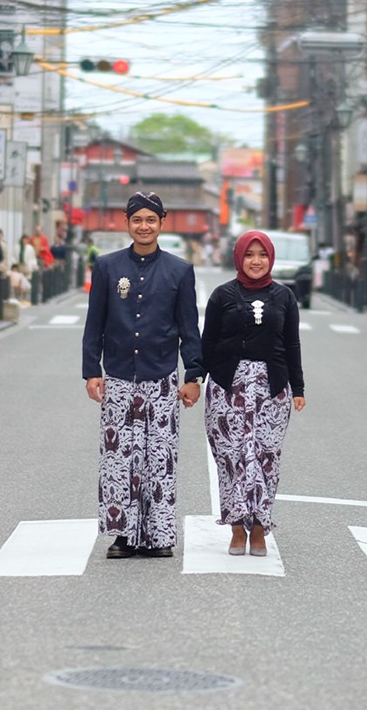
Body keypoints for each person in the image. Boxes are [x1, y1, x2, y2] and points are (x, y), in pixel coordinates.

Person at [82, 191, 203, 559]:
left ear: (162, 223)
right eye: (137, 220)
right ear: (127, 223)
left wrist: (193, 374)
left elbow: (188, 328)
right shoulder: (106, 267)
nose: (144, 226)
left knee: (159, 458)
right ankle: (123, 536)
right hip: (118, 377)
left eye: (151, 220)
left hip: (162, 377)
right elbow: (95, 323)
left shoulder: (179, 271)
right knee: (120, 459)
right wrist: (92, 371)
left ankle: (159, 535)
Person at [191, 230, 305, 557]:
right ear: (239, 257)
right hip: (227, 387)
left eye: (263, 255)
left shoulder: (284, 297)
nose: (256, 261)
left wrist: (297, 387)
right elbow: (207, 341)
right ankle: (236, 528)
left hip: (272, 390)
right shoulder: (222, 295)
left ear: (271, 258)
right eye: (249, 255)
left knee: (265, 458)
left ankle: (259, 527)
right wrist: (196, 377)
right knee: (232, 457)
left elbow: (292, 344)